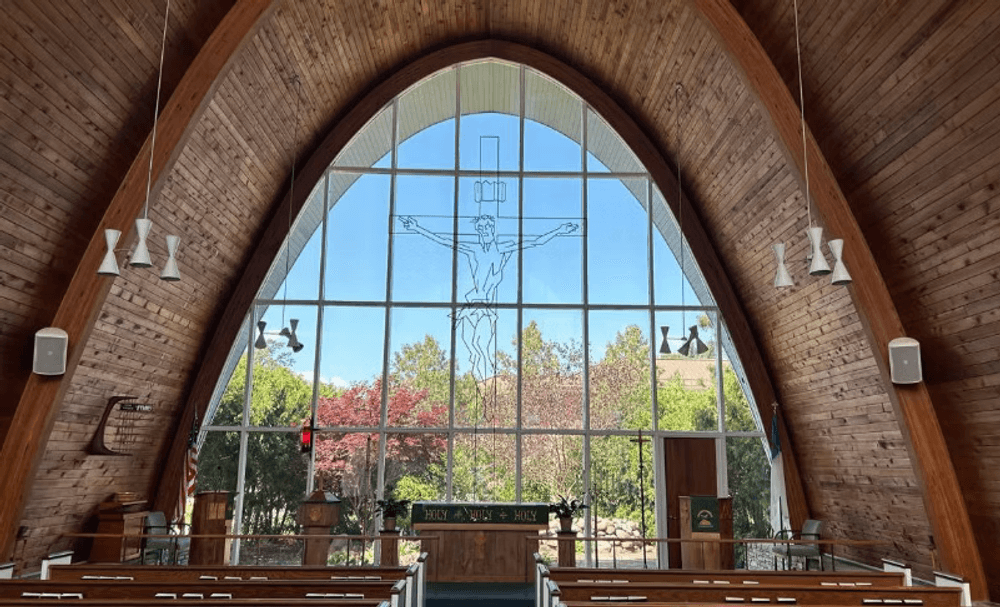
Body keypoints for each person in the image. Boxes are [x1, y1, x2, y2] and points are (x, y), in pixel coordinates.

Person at [398, 214, 577, 380]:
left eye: (487, 227)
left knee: (482, 346)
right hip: (469, 306)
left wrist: (559, 231)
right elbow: (445, 241)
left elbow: (535, 241)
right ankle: (479, 386)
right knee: (472, 349)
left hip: (485, 307)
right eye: (480, 228)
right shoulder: (473, 249)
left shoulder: (503, 248)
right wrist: (417, 228)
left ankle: (487, 385)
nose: (484, 231)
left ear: (492, 229)